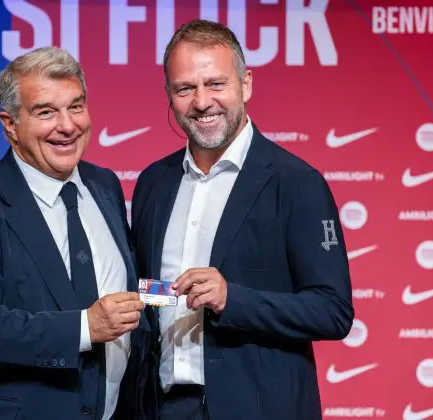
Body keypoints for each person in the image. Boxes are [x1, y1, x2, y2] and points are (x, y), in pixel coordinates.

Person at [131, 20, 354, 420]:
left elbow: (332, 311)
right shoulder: (153, 183)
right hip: (164, 408)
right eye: (185, 89)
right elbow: (155, 292)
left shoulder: (297, 183)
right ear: (169, 95)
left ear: (246, 85)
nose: (202, 102)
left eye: (216, 84)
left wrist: (232, 299)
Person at [0, 47, 150, 420]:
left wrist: (175, 297)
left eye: (76, 106)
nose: (67, 125)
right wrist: (85, 326)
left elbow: (123, 288)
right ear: (10, 125)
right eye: (46, 112)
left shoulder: (104, 185)